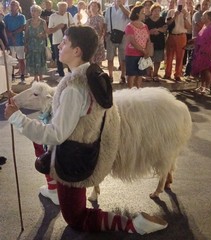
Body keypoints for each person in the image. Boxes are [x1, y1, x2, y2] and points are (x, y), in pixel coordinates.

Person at [4, 25, 168, 235]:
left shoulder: (74, 89)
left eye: (64, 42)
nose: (59, 46)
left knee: (75, 218)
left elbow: (56, 134)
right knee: (75, 213)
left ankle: (134, 225)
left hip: (71, 162)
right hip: (85, 154)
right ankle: (52, 190)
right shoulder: (93, 75)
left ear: (77, 51)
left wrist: (17, 118)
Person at [191, 10, 211, 95]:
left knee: (207, 69)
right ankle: (202, 86)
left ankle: (207, 87)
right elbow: (201, 37)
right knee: (202, 70)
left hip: (208, 51)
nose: (202, 17)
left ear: (209, 17)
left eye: (203, 16)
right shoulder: (204, 26)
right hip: (201, 51)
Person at [164, 0, 191, 82]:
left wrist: (185, 17)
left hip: (181, 36)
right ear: (176, 3)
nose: (181, 5)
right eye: (179, 3)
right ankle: (167, 73)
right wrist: (175, 16)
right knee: (169, 56)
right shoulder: (171, 12)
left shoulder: (187, 13)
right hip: (172, 35)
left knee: (180, 57)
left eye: (182, 3)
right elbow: (167, 24)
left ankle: (177, 74)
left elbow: (188, 27)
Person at [125, 5, 151, 88]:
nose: (144, 14)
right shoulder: (129, 26)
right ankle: (130, 94)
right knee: (131, 75)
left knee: (140, 75)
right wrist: (143, 50)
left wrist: (147, 51)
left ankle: (138, 92)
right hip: (132, 54)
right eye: (142, 13)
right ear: (137, 14)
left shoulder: (145, 26)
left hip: (142, 55)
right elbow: (132, 42)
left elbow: (148, 40)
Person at [104, 0, 130, 83]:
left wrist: (121, 6)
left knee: (123, 58)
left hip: (123, 35)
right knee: (110, 57)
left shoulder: (126, 8)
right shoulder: (109, 9)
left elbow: (130, 16)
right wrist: (105, 34)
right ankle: (110, 75)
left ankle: (123, 75)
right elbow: (105, 22)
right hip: (111, 34)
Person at [48, 1, 74, 81]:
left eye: (64, 8)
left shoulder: (69, 15)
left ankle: (70, 74)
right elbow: (49, 30)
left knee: (70, 57)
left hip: (68, 40)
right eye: (61, 8)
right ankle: (61, 75)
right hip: (57, 40)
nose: (63, 9)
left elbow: (73, 26)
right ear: (58, 8)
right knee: (59, 58)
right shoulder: (53, 16)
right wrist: (58, 27)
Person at [3, 0, 26, 83]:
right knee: (11, 60)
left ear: (18, 6)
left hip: (19, 41)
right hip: (9, 43)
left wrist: (13, 33)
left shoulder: (22, 17)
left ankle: (22, 76)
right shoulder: (6, 17)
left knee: (21, 59)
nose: (12, 6)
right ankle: (11, 76)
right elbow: (4, 27)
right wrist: (9, 34)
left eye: (14, 5)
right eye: (11, 5)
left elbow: (23, 27)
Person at [24, 4, 48, 82]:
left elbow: (47, 33)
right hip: (31, 45)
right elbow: (26, 34)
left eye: (35, 11)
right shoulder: (28, 22)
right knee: (33, 60)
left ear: (39, 12)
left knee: (40, 60)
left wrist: (42, 35)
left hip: (40, 45)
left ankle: (41, 77)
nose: (33, 13)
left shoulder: (43, 22)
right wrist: (25, 45)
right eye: (32, 11)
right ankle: (35, 77)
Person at [145, 3, 167, 81]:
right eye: (155, 11)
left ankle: (155, 74)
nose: (157, 12)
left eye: (158, 11)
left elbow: (164, 29)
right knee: (149, 59)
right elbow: (145, 31)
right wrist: (151, 32)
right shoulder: (147, 20)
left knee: (157, 59)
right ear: (152, 11)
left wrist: (156, 30)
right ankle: (148, 74)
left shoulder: (162, 19)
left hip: (159, 42)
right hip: (150, 42)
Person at [86, 1, 106, 66]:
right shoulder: (88, 18)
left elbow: (101, 31)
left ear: (98, 8)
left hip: (97, 41)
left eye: (95, 6)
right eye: (92, 6)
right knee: (90, 61)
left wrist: (97, 40)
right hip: (89, 42)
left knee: (98, 62)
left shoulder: (100, 18)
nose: (93, 8)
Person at [41, 0, 56, 64]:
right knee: (44, 44)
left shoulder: (54, 13)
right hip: (44, 30)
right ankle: (44, 59)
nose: (48, 5)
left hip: (51, 30)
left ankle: (53, 59)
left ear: (51, 5)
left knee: (53, 45)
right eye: (46, 4)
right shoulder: (42, 12)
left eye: (49, 4)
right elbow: (41, 19)